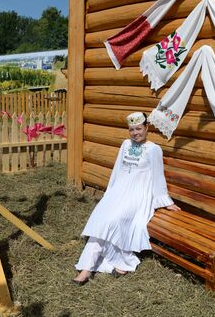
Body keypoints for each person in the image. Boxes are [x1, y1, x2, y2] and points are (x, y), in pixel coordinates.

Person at [73, 112, 180, 285]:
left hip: (138, 196)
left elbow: (158, 177)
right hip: (119, 192)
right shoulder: (125, 144)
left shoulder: (154, 149)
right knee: (101, 219)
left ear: (147, 128)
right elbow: (117, 170)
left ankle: (121, 260)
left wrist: (165, 202)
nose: (135, 133)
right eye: (132, 130)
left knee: (113, 220)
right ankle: (86, 269)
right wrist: (110, 192)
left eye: (139, 128)